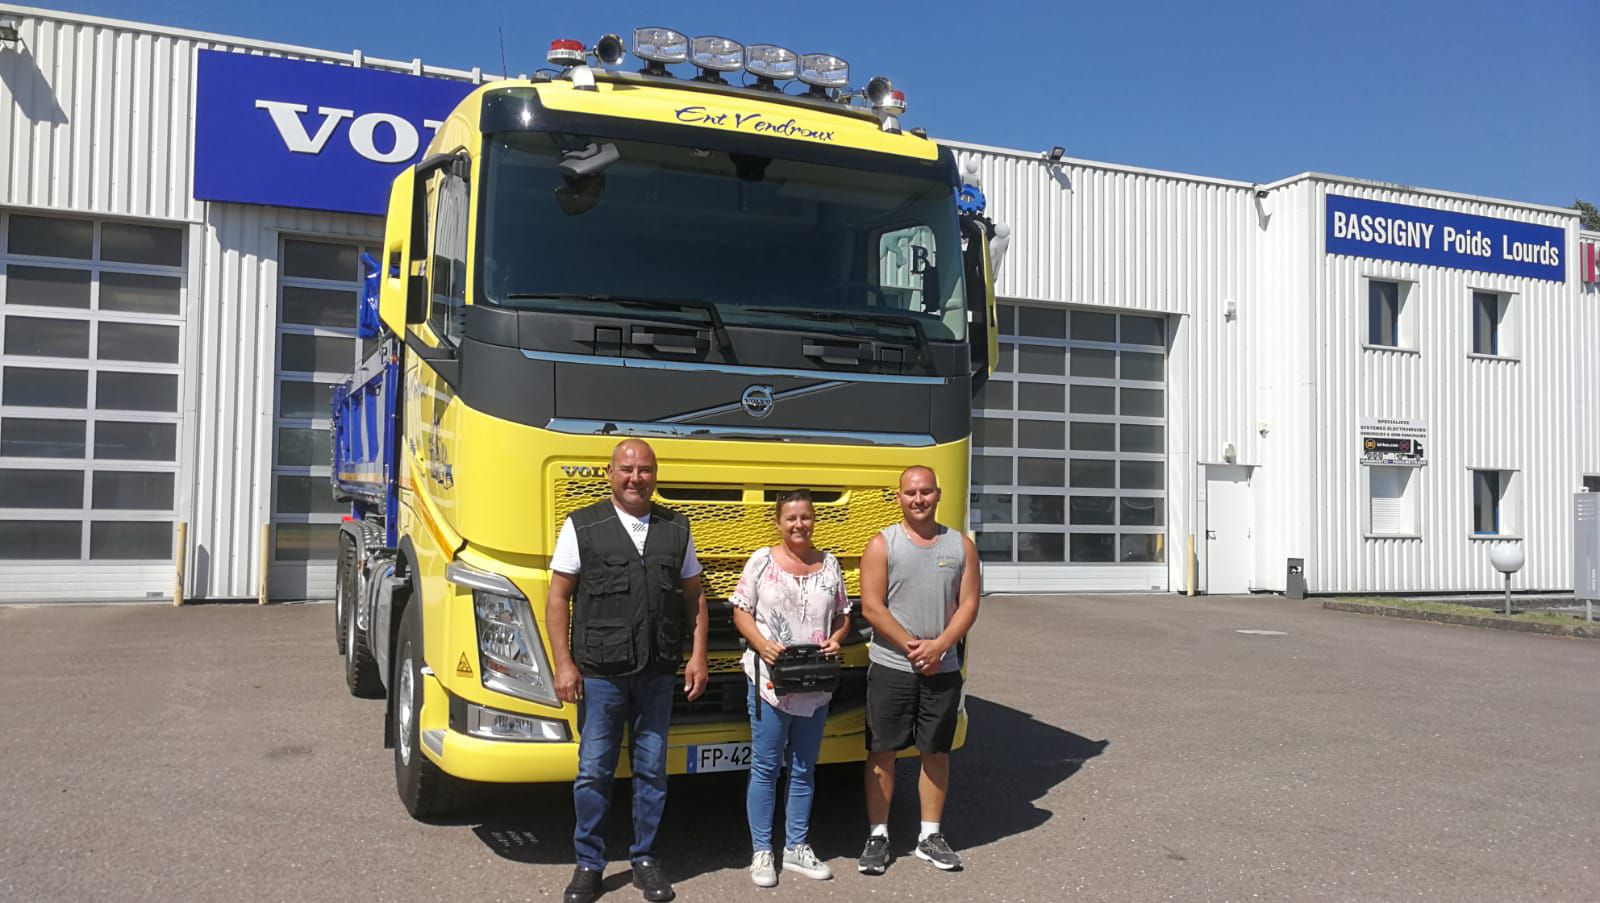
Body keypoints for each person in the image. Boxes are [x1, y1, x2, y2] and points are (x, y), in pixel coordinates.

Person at [546, 439, 710, 903]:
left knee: (652, 772)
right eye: (626, 469)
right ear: (610, 473)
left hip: (657, 672)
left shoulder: (676, 527)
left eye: (644, 469)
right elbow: (558, 598)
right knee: (593, 771)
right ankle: (589, 864)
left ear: (656, 475)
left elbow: (693, 596)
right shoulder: (584, 525)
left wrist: (697, 656)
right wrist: (564, 664)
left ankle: (645, 860)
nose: (635, 477)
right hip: (600, 673)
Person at [855, 465, 981, 875]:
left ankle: (930, 836)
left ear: (938, 494)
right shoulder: (882, 545)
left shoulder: (961, 547)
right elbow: (872, 606)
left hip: (942, 668)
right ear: (899, 498)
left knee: (936, 751)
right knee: (882, 751)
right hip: (892, 665)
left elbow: (969, 605)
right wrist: (913, 648)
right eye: (911, 493)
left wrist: (941, 646)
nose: (919, 499)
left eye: (926, 491)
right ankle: (878, 835)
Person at [729, 489, 852, 888]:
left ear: (814, 519)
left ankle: (796, 846)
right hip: (770, 683)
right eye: (791, 518)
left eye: (806, 517)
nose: (799, 524)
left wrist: (838, 638)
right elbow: (740, 610)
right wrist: (761, 644)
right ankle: (762, 850)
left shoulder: (829, 564)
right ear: (778, 522)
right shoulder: (761, 562)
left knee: (803, 768)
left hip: (815, 683)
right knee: (766, 767)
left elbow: (843, 615)